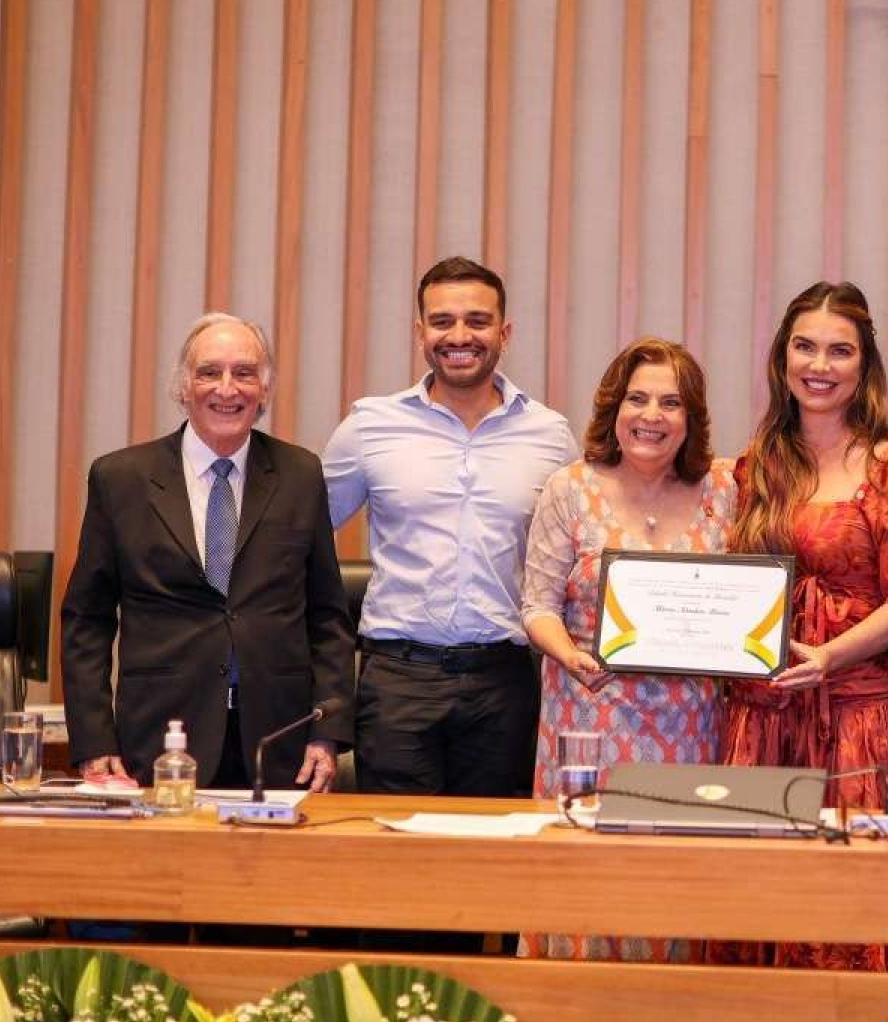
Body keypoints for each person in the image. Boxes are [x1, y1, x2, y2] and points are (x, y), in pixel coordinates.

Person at [719, 282, 888, 971]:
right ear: (782, 359)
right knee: (754, 903)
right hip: (761, 720)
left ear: (864, 364)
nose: (820, 364)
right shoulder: (755, 466)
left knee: (856, 912)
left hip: (860, 722)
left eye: (840, 351)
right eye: (805, 347)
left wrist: (829, 658)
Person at [62, 314, 352, 793]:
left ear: (264, 389)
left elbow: (327, 616)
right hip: (159, 738)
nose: (227, 388)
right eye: (209, 372)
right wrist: (94, 739)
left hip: (279, 741)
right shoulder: (121, 479)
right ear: (182, 387)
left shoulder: (300, 475)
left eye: (244, 372)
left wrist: (328, 730)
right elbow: (86, 621)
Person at [324, 257, 578, 797]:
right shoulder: (370, 426)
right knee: (393, 855)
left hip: (503, 681)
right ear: (421, 332)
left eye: (477, 321)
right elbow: (300, 536)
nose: (459, 336)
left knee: (494, 858)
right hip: (397, 680)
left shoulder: (551, 436)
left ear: (504, 333)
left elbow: (579, 558)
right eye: (442, 321)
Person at [520, 339, 735, 962]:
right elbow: (537, 605)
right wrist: (568, 654)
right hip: (588, 718)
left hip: (690, 730)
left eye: (672, 402)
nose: (653, 415)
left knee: (674, 890)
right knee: (582, 890)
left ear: (691, 418)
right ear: (613, 407)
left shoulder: (723, 491)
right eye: (637, 398)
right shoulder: (571, 489)